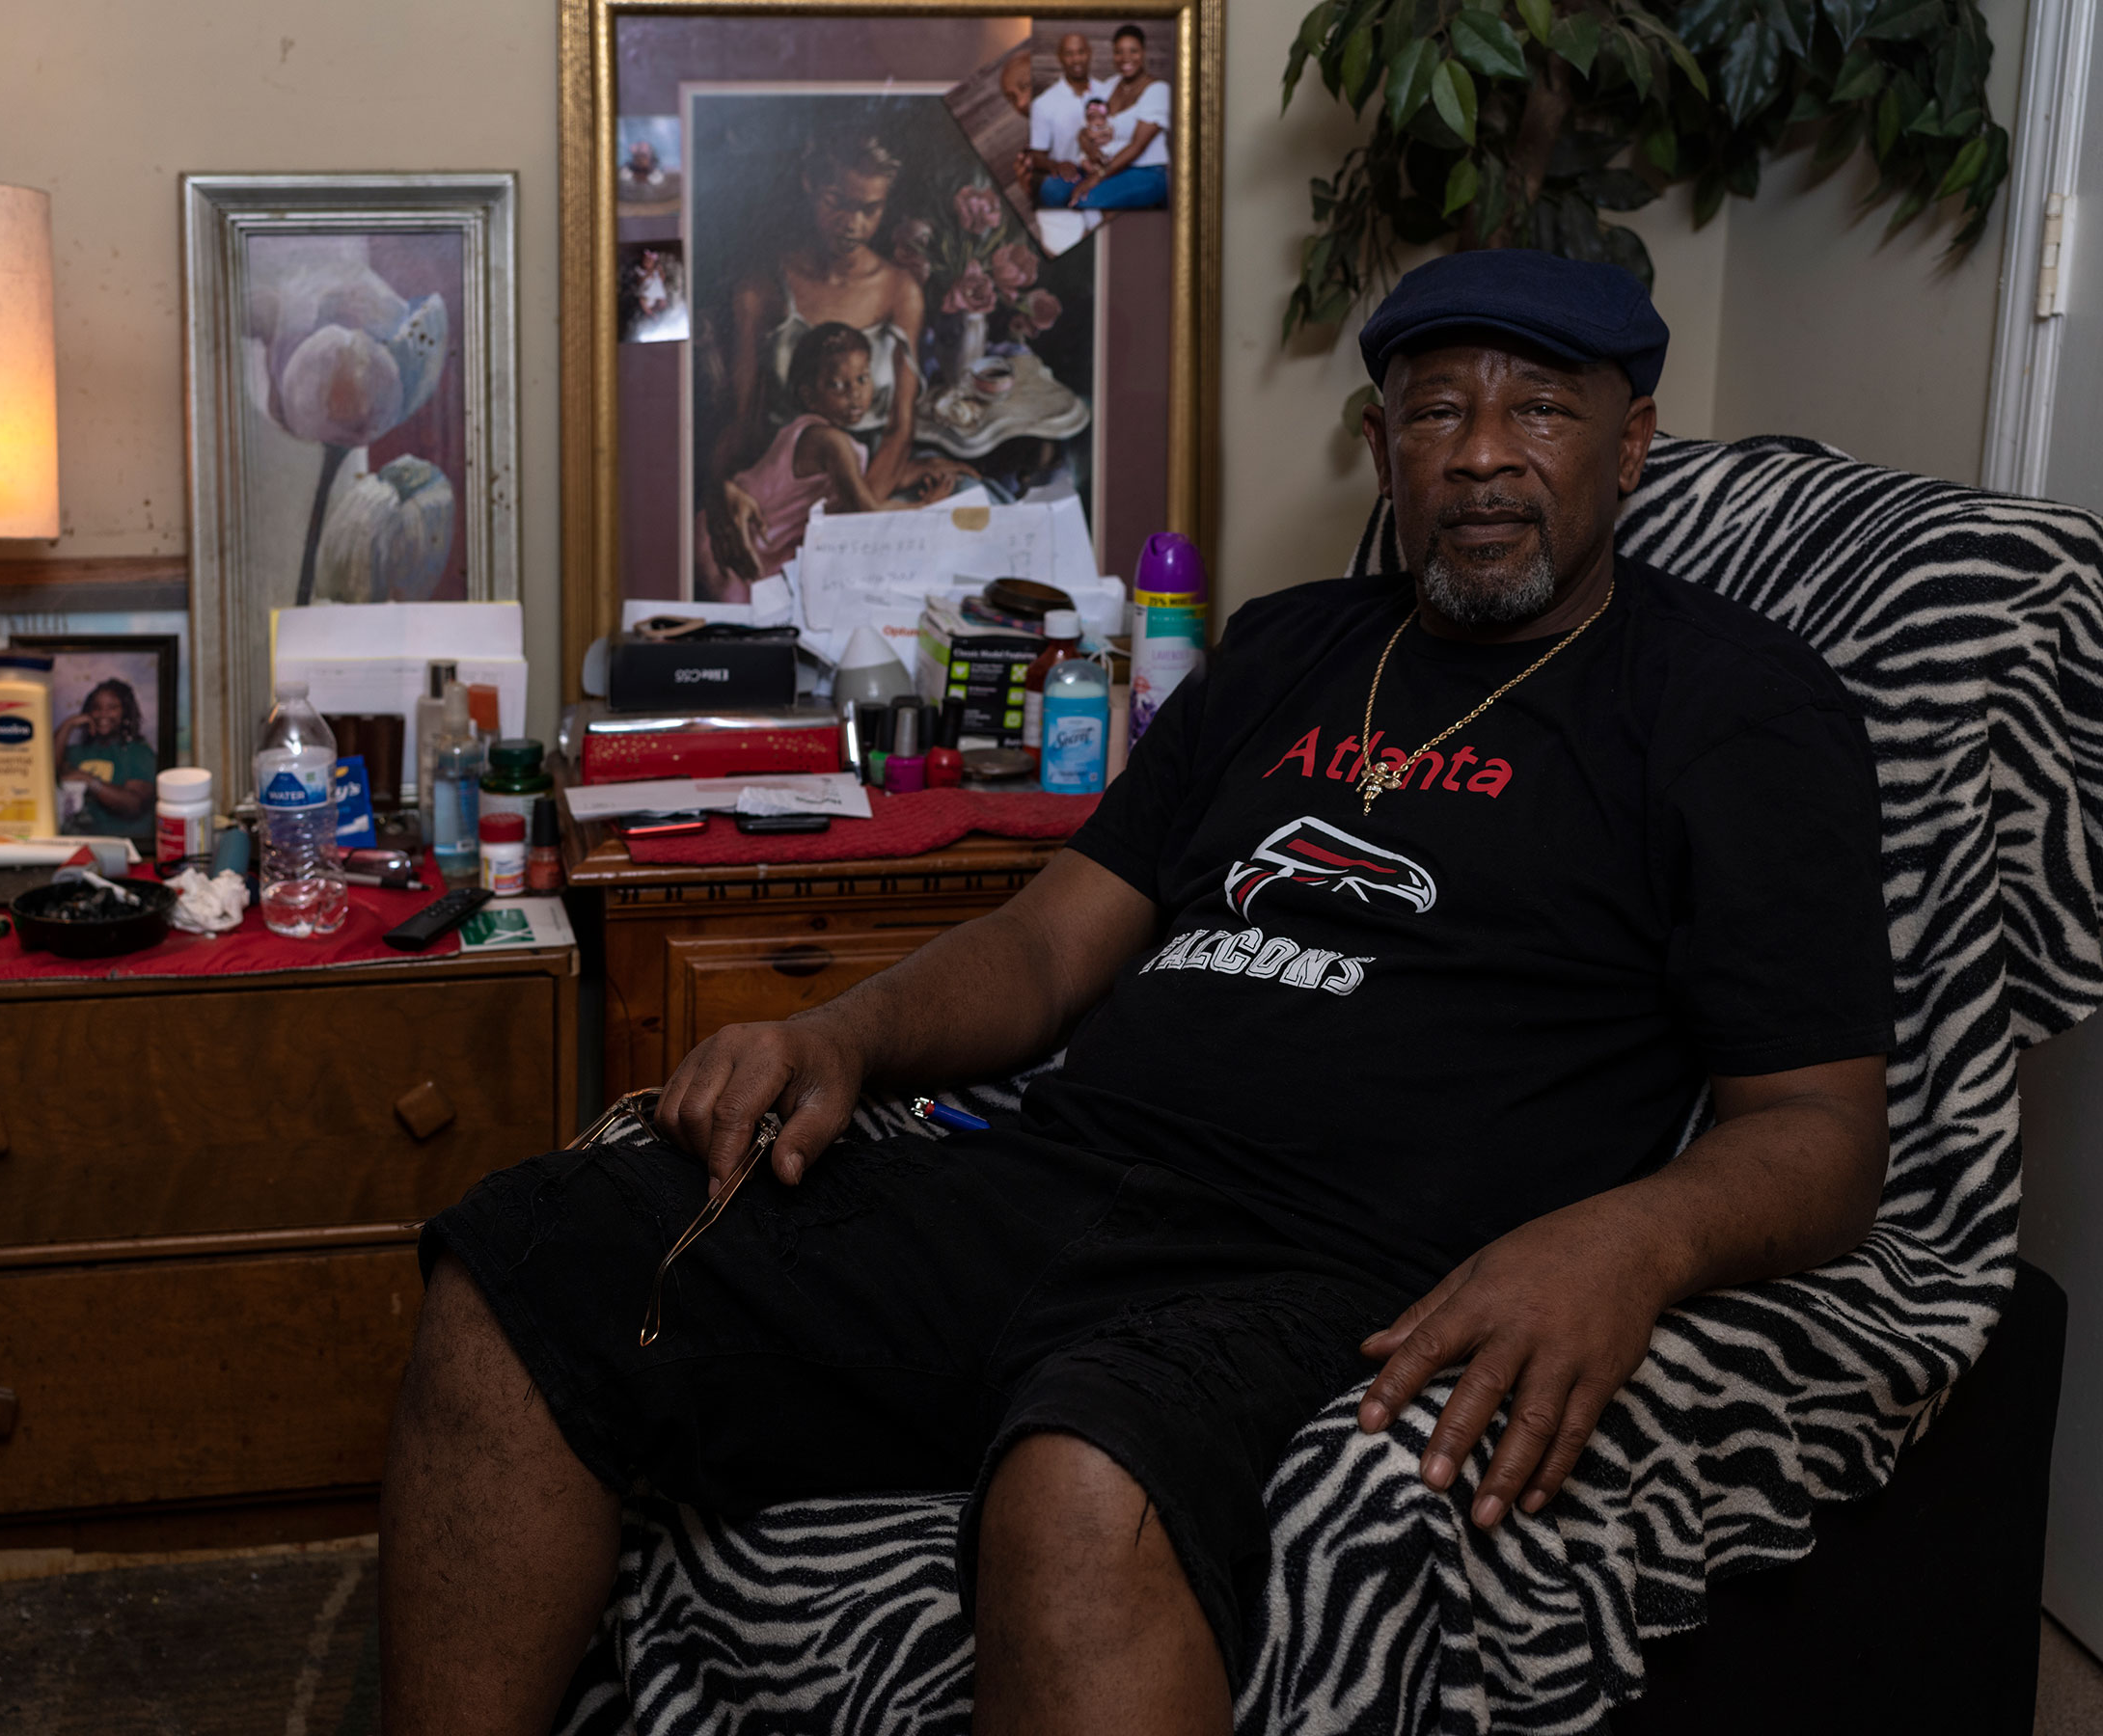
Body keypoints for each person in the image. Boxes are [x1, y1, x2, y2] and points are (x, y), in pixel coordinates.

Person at [381, 250, 1896, 1735]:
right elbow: (1047, 949)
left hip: (1340, 1266)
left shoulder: (1734, 708)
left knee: (1081, 1492)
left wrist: (1629, 1240)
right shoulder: (1286, 649)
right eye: (1437, 413)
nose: (1485, 457)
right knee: (527, 1270)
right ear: (1381, 447)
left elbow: (1821, 1132)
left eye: (1543, 410)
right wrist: (842, 1033)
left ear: (1633, 440)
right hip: (1055, 1182)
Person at [703, 129, 931, 594]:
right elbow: (741, 419)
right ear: (810, 184)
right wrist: (717, 490)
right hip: (785, 483)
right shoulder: (762, 286)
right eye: (839, 202)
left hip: (867, 484)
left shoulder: (899, 289)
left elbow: (899, 428)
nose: (855, 223)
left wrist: (853, 524)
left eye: (872, 208)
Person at [692, 322, 963, 598]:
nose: (855, 393)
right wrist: (926, 507)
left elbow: (850, 485)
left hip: (753, 542)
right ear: (810, 396)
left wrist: (918, 470)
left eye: (862, 378)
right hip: (740, 550)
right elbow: (865, 509)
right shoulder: (830, 442)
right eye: (837, 385)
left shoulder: (810, 431)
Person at [1042, 24, 1170, 211]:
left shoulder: (1158, 90)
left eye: (1133, 51)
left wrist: (1097, 176)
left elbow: (1137, 146)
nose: (1126, 58)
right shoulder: (1109, 85)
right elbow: (1083, 131)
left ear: (1143, 52)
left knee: (1088, 200)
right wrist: (1091, 152)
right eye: (1119, 52)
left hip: (1145, 171)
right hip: (1105, 167)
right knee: (1051, 188)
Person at [53, 678, 156, 841]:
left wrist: (88, 780)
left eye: (112, 707)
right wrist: (68, 724)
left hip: (121, 846)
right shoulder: (79, 752)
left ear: (126, 712)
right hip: (75, 843)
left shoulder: (139, 753)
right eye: (96, 707)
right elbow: (47, 769)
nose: (103, 714)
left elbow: (133, 804)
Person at [1021, 30, 1116, 195]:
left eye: (1081, 52)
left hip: (1109, 171)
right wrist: (1057, 166)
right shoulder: (1043, 103)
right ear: (1060, 57)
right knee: (1052, 189)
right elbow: (1037, 156)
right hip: (1071, 177)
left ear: (1089, 53)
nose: (1076, 59)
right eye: (1069, 54)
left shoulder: (1108, 92)